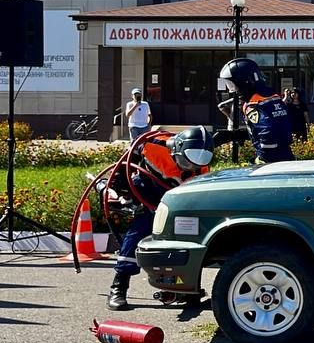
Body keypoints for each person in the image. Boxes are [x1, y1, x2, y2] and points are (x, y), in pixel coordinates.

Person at [100, 126, 215, 310]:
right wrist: (121, 187)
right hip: (148, 190)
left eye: (195, 165)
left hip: (175, 198)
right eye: (186, 163)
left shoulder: (200, 166)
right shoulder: (155, 145)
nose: (190, 168)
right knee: (138, 232)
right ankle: (118, 287)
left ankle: (187, 290)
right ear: (177, 149)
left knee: (187, 241)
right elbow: (129, 157)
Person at [217, 58, 294, 163]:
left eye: (232, 85)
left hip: (271, 160)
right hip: (286, 154)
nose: (232, 90)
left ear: (242, 82)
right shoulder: (273, 96)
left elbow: (267, 131)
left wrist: (263, 158)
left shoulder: (253, 105)